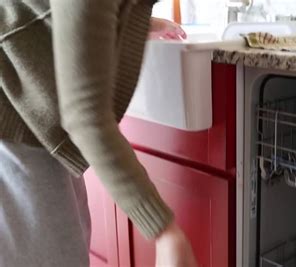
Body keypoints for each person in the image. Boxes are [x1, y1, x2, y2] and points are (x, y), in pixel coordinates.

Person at [0, 0, 198, 266]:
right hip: (14, 121)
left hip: (39, 115)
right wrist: (165, 232)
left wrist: (131, 22)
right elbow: (85, 117)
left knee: (70, 246)